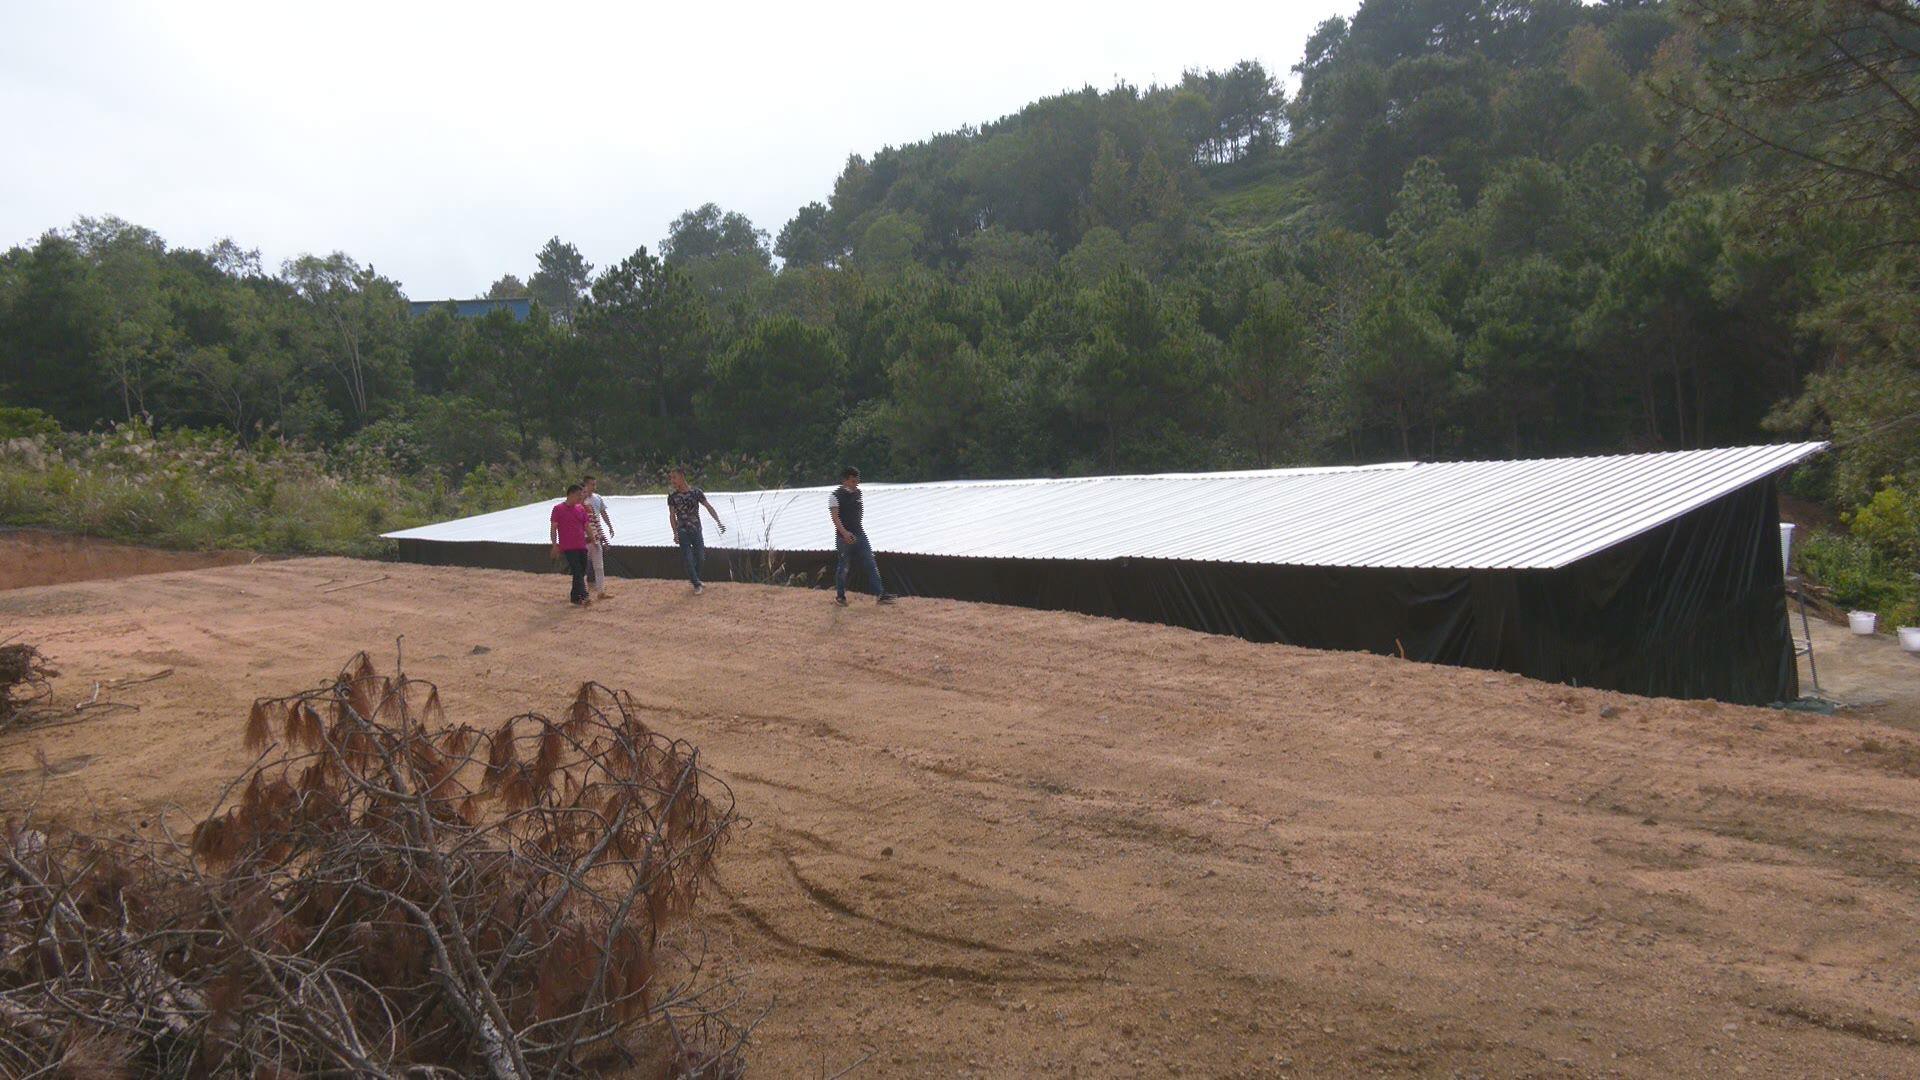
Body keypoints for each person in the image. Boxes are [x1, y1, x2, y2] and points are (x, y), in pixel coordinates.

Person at [828, 466, 894, 606]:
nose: (855, 484)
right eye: (853, 481)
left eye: (857, 481)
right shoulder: (835, 496)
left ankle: (880, 594)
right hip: (843, 537)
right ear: (845, 480)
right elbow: (835, 518)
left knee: (871, 563)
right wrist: (845, 533)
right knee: (844, 567)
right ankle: (840, 596)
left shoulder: (858, 493)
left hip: (859, 533)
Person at [665, 468, 726, 593]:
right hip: (683, 531)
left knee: (701, 557)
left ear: (682, 476)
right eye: (671, 478)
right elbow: (672, 516)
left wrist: (718, 521)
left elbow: (708, 506)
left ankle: (695, 578)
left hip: (696, 529)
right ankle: (696, 583)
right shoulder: (672, 497)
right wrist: (675, 532)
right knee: (688, 557)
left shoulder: (696, 493)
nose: (672, 481)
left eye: (674, 477)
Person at [549, 483, 593, 607]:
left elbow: (586, 526)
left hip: (581, 545)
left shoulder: (580, 509)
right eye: (579, 495)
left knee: (582, 570)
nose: (581, 497)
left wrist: (592, 537)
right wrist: (554, 544)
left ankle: (574, 597)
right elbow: (553, 528)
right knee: (577, 570)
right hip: (568, 547)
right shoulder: (558, 509)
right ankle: (584, 596)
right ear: (571, 494)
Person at [582, 475, 615, 600]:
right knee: (583, 566)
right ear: (585, 485)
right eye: (591, 484)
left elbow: (603, 512)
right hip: (583, 537)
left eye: (594, 484)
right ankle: (583, 592)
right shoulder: (580, 501)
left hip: (595, 535)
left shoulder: (597, 498)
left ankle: (601, 591)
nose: (594, 487)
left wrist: (609, 526)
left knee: (599, 565)